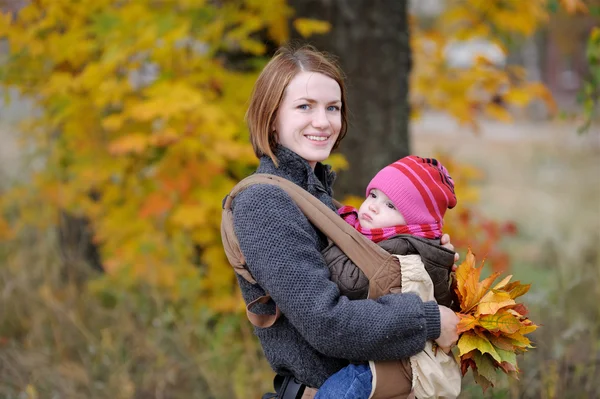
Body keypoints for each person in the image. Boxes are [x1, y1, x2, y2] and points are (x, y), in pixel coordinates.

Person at [228, 45, 460, 398]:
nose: (323, 121)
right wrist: (427, 320)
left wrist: (429, 263)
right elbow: (327, 323)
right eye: (305, 106)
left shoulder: (326, 205)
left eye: (332, 108)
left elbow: (376, 290)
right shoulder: (265, 203)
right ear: (271, 116)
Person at [318, 156, 462, 398]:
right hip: (384, 348)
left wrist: (330, 239)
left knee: (338, 392)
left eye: (391, 206)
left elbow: (351, 284)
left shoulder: (399, 250)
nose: (373, 206)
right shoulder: (380, 237)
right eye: (374, 195)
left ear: (414, 225)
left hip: (394, 362)